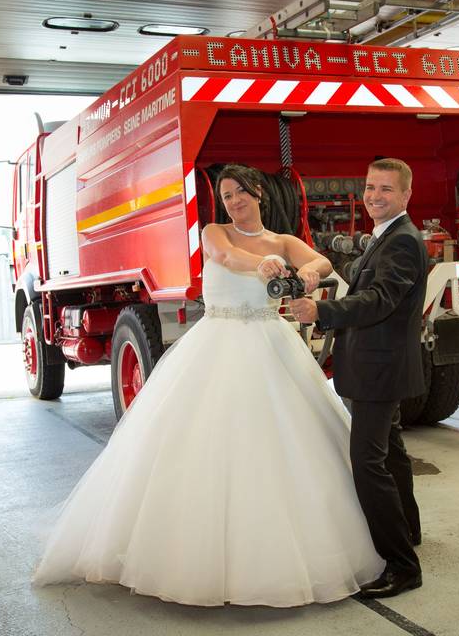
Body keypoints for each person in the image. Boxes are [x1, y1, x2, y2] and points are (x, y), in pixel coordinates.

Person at [32, 164, 384, 607]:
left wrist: (311, 271)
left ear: (258, 193)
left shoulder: (282, 239)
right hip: (217, 345)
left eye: (241, 192)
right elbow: (227, 260)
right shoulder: (216, 233)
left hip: (272, 345)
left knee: (288, 444)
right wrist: (265, 263)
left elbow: (322, 260)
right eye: (226, 194)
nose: (233, 201)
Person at [289, 158, 427, 599]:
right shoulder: (387, 236)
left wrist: (322, 311)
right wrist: (325, 270)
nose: (375, 196)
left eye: (386, 189)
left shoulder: (403, 241)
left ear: (406, 195)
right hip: (380, 365)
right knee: (393, 452)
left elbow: (381, 298)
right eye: (370, 187)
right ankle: (409, 531)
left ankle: (402, 566)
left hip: (380, 369)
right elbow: (368, 281)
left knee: (368, 464)